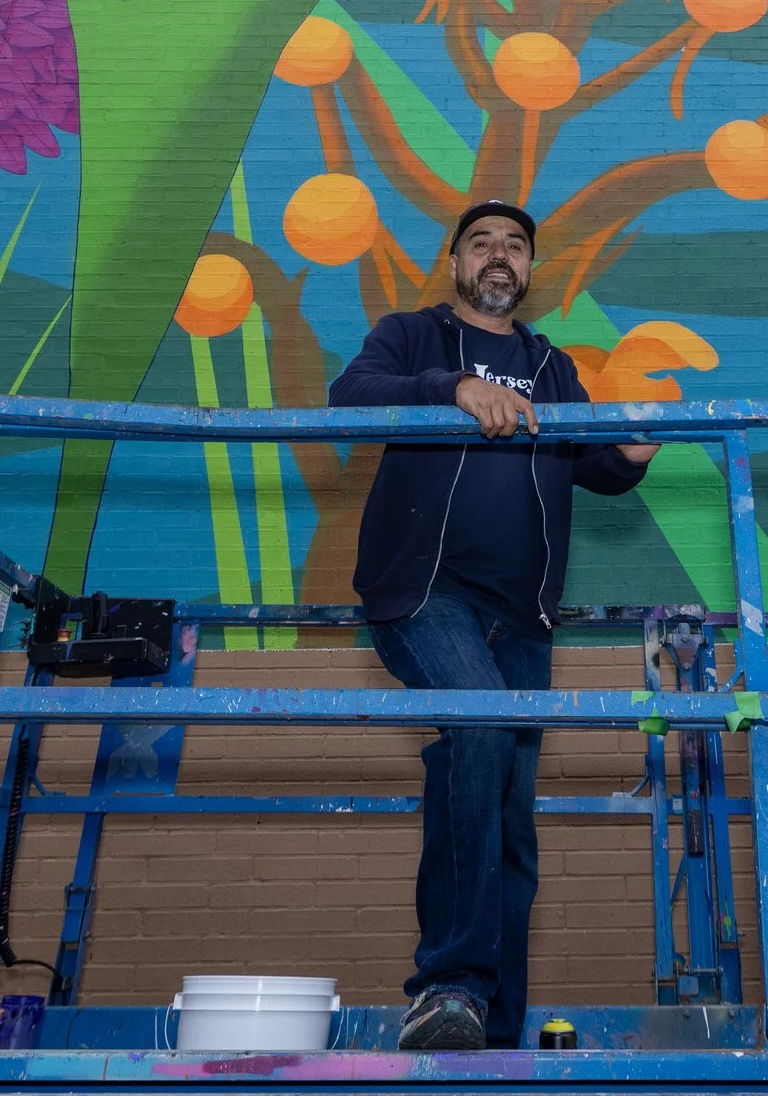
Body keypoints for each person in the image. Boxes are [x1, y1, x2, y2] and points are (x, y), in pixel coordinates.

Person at [329, 200, 658, 1052]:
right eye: (481, 241)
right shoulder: (413, 336)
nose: (499, 253)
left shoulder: (551, 364)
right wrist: (452, 388)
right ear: (455, 263)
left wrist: (627, 455)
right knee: (478, 722)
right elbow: (349, 396)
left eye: (515, 243)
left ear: (529, 268)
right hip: (425, 593)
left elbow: (587, 463)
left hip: (522, 617)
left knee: (507, 809)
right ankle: (449, 984)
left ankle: (491, 1035)